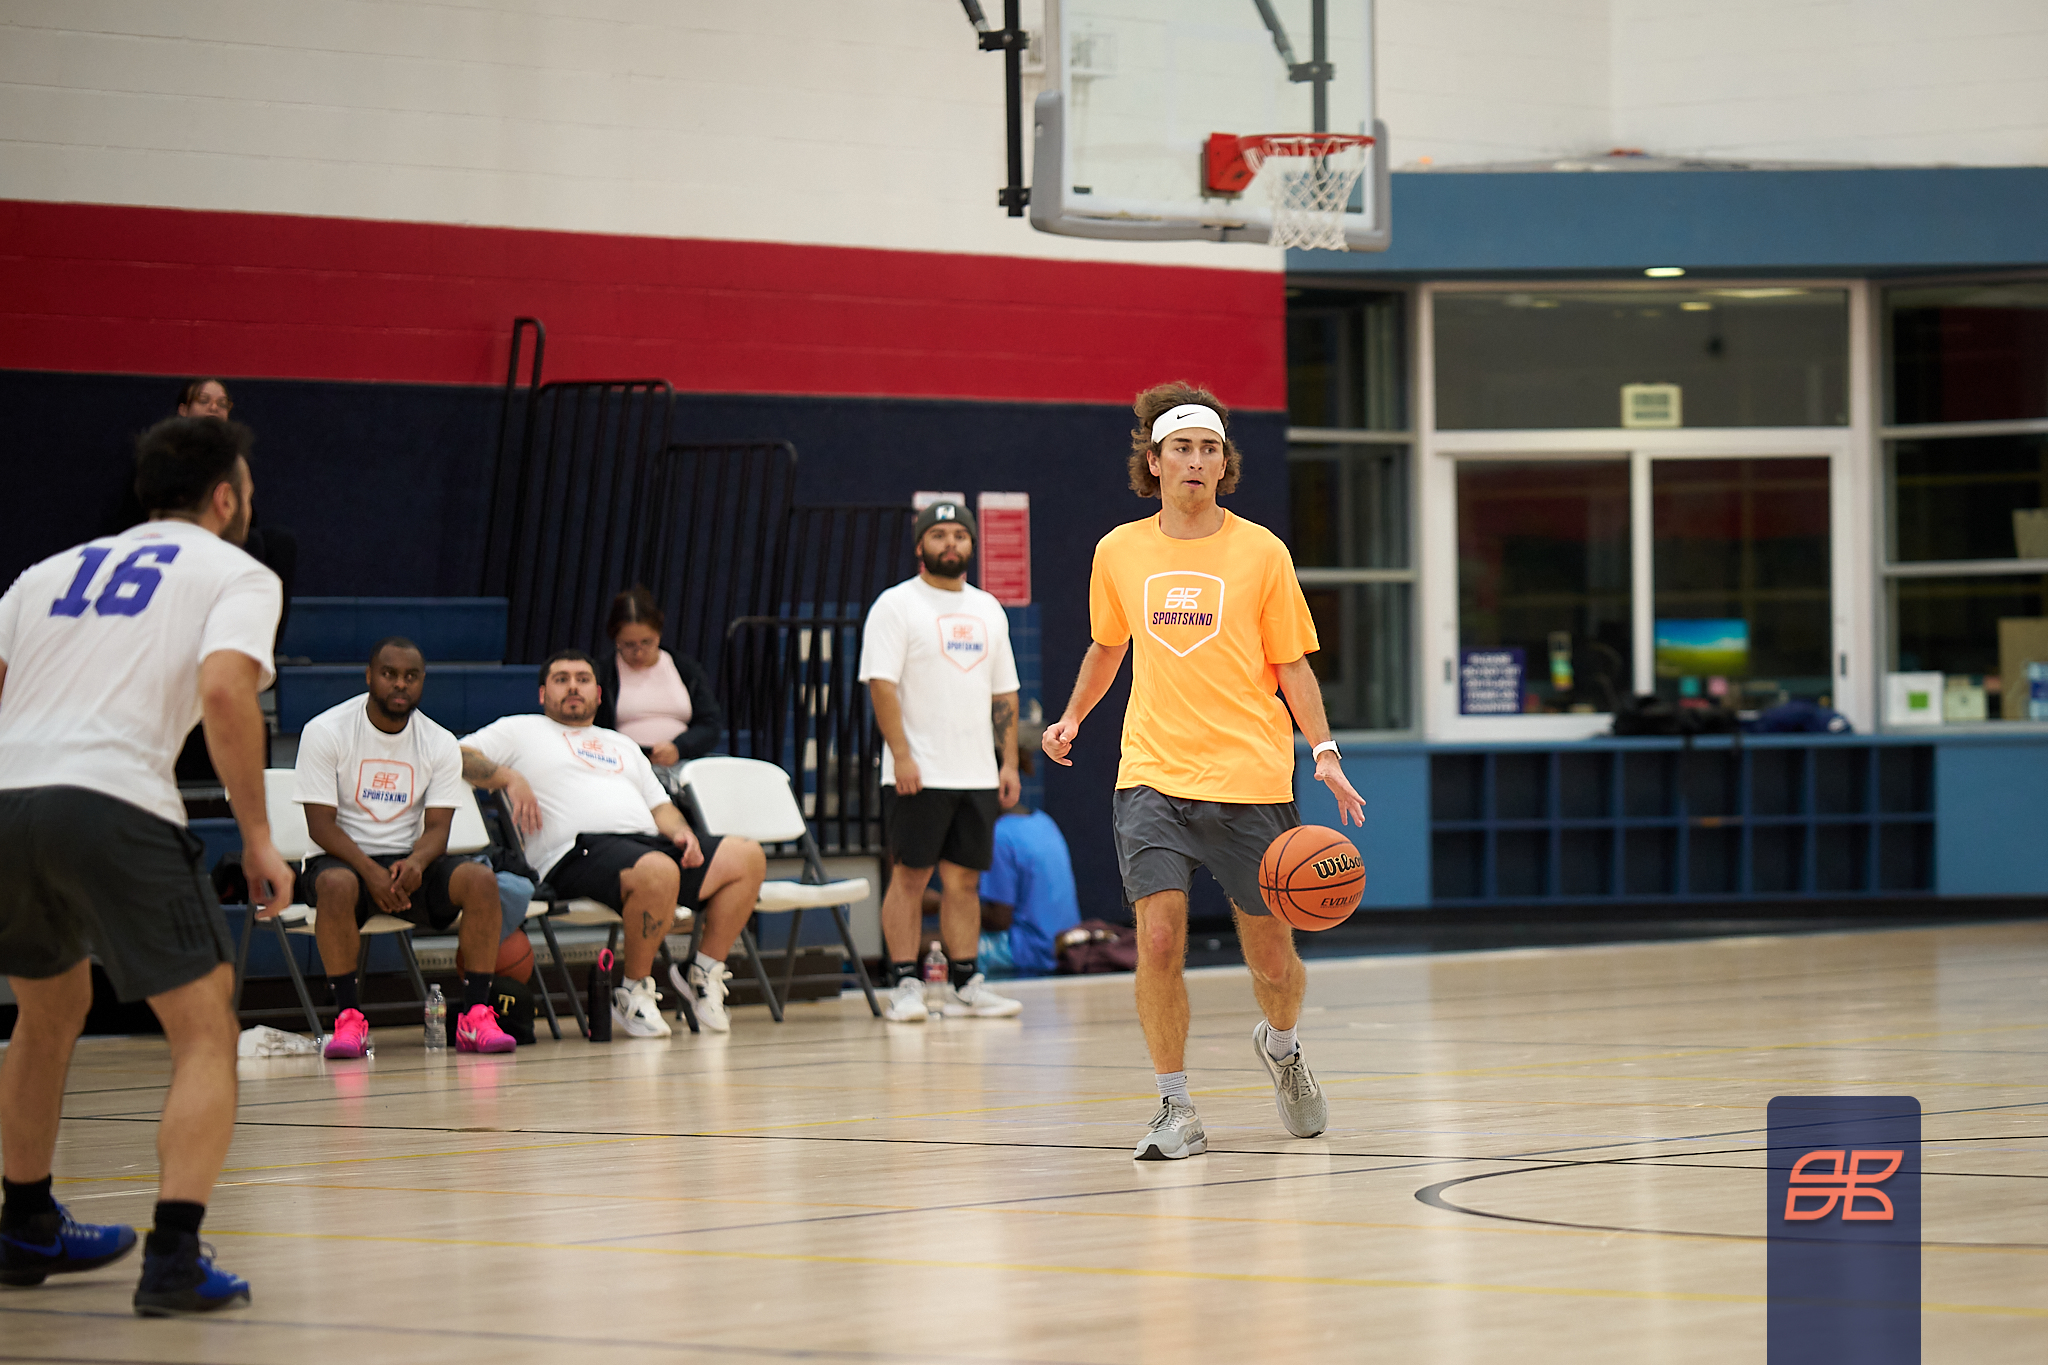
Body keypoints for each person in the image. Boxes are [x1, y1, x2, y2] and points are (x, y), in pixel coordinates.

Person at [0, 416, 290, 1313]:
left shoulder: (44, 574)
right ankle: (174, 1255)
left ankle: (24, 1221)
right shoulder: (237, 572)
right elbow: (224, 690)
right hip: (113, 799)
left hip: (9, 798)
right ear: (226, 497)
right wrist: (257, 834)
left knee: (47, 1010)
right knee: (204, 1030)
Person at [1043, 382, 1366, 1162]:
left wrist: (1324, 753)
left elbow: (1293, 664)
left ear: (1225, 465)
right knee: (1157, 937)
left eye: (1209, 448)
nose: (1195, 460)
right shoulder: (1118, 551)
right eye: (1181, 448)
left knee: (1273, 960)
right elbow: (1108, 645)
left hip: (1251, 779)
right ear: (1153, 462)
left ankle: (1282, 1046)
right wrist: (1074, 715)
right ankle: (1175, 1104)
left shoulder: (1262, 552)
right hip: (1152, 773)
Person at [459, 650, 767, 1036]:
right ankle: (632, 991)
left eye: (583, 679)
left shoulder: (621, 743)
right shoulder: (519, 729)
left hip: (644, 846)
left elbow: (660, 806)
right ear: (542, 693)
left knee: (746, 856)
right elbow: (458, 755)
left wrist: (682, 832)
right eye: (561, 679)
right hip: (572, 854)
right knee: (658, 870)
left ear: (599, 694)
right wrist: (508, 776)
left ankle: (701, 971)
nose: (573, 686)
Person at [293, 637, 518, 1059]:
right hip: (343, 861)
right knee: (337, 884)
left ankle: (475, 1016)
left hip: (408, 865)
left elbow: (438, 829)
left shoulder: (439, 741)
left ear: (422, 681)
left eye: (411, 676)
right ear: (369, 676)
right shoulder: (325, 730)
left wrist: (415, 862)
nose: (400, 684)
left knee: (480, 880)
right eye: (390, 674)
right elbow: (320, 826)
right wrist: (370, 872)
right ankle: (348, 1020)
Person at [858, 500, 1025, 1023]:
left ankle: (965, 984)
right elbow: (881, 685)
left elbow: (1005, 693)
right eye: (939, 534)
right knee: (910, 877)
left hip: (976, 772)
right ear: (920, 545)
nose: (950, 543)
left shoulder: (988, 609)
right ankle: (905, 984)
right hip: (918, 772)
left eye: (959, 534)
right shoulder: (896, 605)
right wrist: (902, 756)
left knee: (965, 882)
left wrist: (1007, 763)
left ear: (971, 544)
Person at [594, 585, 725, 790]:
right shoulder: (602, 673)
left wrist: (679, 748)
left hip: (684, 763)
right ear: (615, 640)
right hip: (625, 768)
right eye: (629, 645)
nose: (639, 652)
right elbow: (594, 729)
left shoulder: (684, 668)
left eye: (646, 642)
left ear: (659, 633)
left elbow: (710, 724)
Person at [977, 743, 1081, 977]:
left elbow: (998, 920)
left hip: (1030, 951)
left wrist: (944, 903)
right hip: (1064, 945)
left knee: (943, 943)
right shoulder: (1043, 821)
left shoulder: (1001, 835)